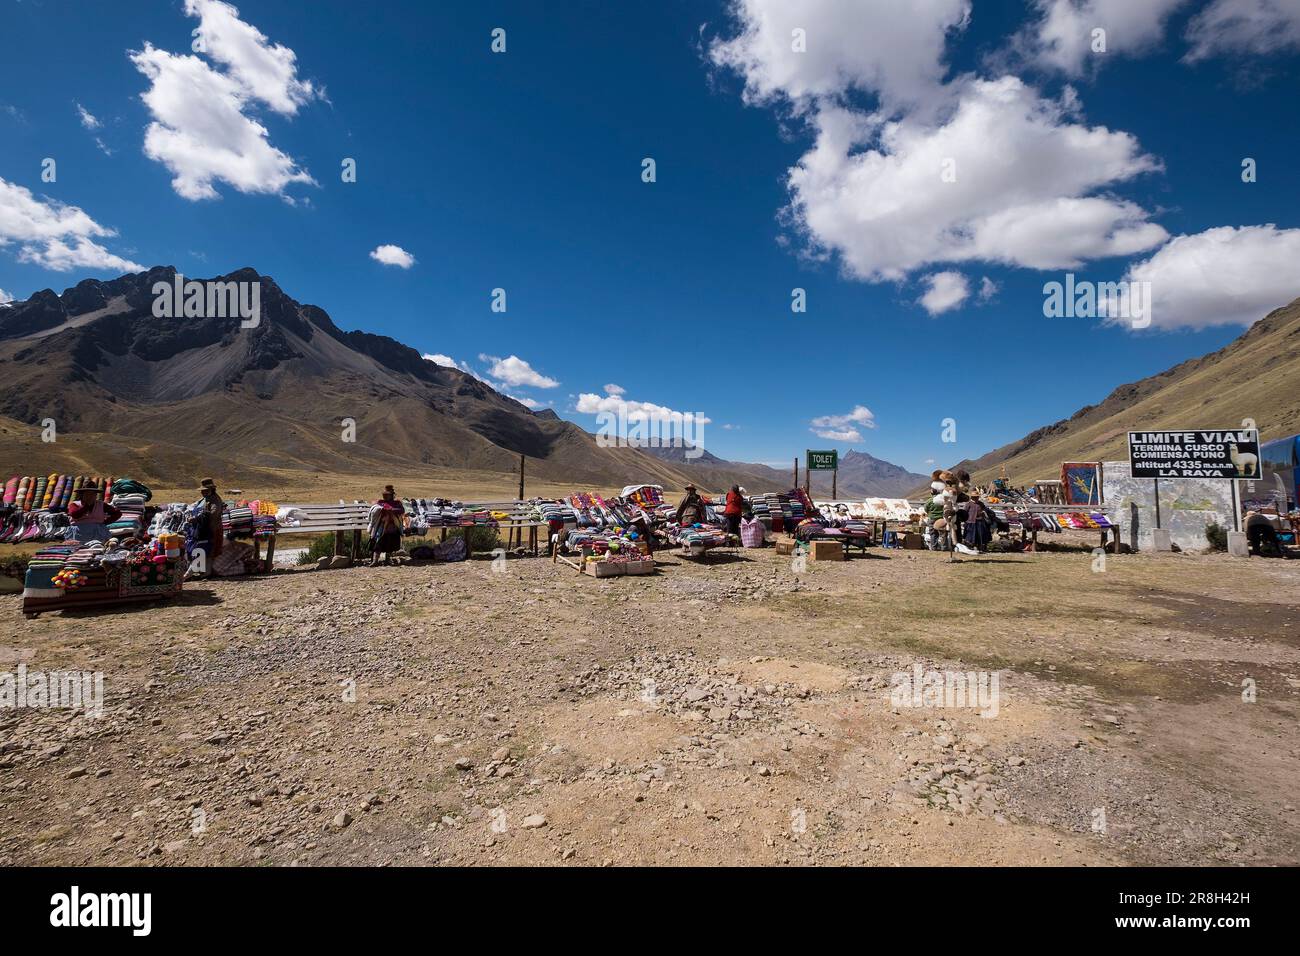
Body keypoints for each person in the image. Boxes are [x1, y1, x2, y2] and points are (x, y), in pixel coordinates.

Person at [189, 478, 226, 571]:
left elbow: (212, 513)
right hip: (205, 528)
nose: (203, 492)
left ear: (211, 490)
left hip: (213, 528)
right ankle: (202, 570)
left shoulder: (215, 500)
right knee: (204, 549)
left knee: (210, 550)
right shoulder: (205, 499)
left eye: (205, 491)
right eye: (202, 491)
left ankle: (207, 571)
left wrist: (197, 518)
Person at [369, 485, 406, 566]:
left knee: (390, 544)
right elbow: (376, 510)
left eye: (388, 495)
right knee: (378, 543)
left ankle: (387, 559)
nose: (386, 496)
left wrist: (392, 510)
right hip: (382, 528)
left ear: (392, 495)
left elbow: (401, 510)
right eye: (385, 495)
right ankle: (375, 561)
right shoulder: (380, 502)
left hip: (393, 527)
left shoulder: (397, 503)